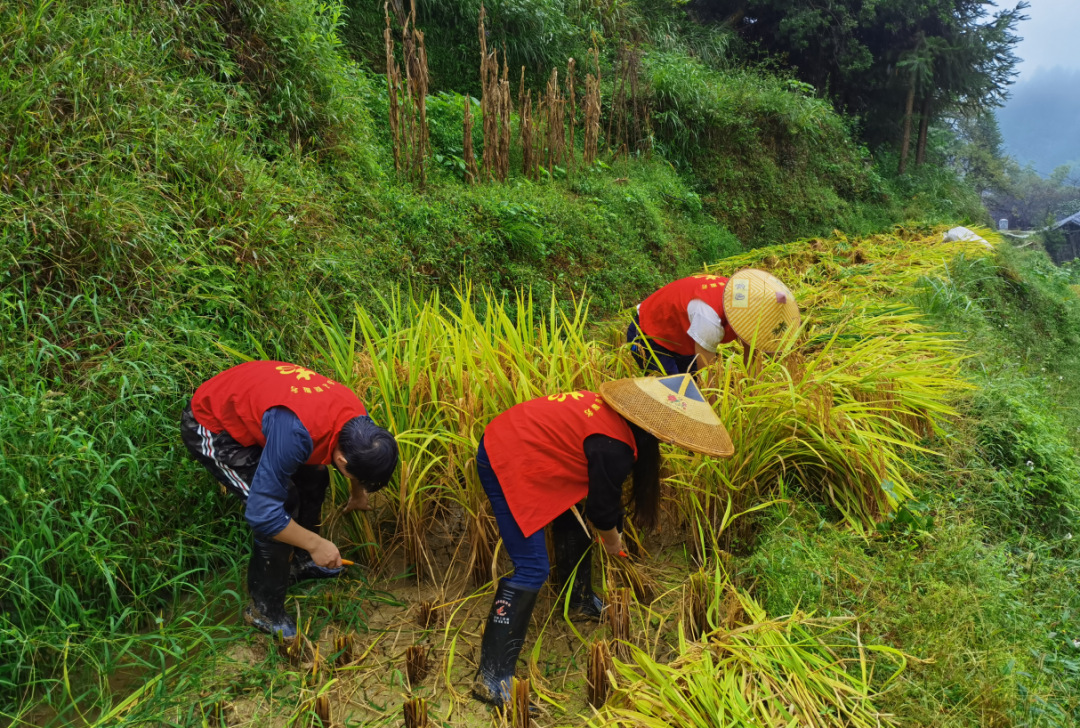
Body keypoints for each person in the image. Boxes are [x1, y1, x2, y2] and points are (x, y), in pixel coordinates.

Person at [472, 373, 734, 708]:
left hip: (526, 444)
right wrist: (614, 544)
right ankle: (492, 678)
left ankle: (578, 599)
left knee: (574, 524)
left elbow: (600, 498)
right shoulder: (614, 447)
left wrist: (610, 529)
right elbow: (601, 511)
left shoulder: (619, 423)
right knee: (532, 566)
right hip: (505, 454)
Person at [180, 360, 398, 643]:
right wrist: (317, 543)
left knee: (316, 478)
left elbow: (355, 460)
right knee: (279, 508)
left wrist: (358, 494)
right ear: (343, 460)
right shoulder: (296, 436)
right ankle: (264, 610)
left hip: (268, 409)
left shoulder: (361, 424)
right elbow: (263, 513)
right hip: (215, 425)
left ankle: (301, 563)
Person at [627, 269, 800, 374]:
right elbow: (706, 375)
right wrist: (719, 416)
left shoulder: (746, 301)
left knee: (692, 391)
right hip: (649, 334)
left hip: (684, 337)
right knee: (675, 398)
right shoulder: (709, 318)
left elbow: (752, 359)